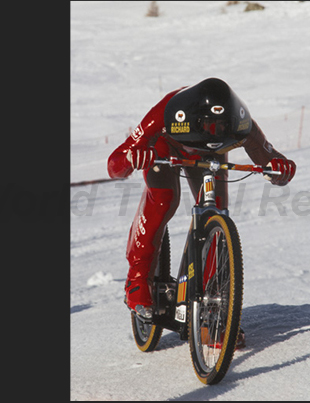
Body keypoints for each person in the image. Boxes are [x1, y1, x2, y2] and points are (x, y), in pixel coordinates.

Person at [107, 77, 296, 325]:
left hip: (210, 155)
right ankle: (138, 278)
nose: (215, 130)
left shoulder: (241, 121)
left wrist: (281, 169)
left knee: (216, 212)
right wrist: (134, 157)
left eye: (222, 127)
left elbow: (270, 158)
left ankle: (213, 305)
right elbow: (115, 164)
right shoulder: (166, 111)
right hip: (165, 148)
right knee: (164, 199)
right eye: (207, 125)